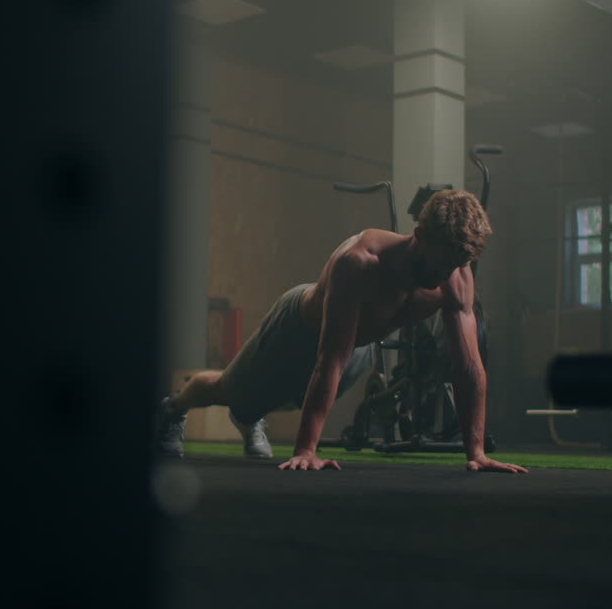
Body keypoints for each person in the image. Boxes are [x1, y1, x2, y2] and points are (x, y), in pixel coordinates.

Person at [155, 189, 528, 473]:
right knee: (228, 389)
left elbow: (468, 368)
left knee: (288, 398)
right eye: (443, 261)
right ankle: (174, 409)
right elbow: (330, 358)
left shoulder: (456, 278)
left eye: (458, 264)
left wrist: (475, 452)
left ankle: (250, 416)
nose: (447, 273)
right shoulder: (361, 262)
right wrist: (305, 451)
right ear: (419, 235)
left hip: (358, 345)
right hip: (298, 326)